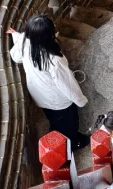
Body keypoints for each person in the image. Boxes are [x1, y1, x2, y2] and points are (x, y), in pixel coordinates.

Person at [7, 15, 89, 148]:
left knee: (53, 119)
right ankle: (73, 143)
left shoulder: (24, 41)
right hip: (58, 100)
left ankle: (58, 133)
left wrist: (15, 35)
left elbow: (16, 57)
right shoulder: (53, 58)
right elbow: (66, 83)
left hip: (39, 95)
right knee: (70, 124)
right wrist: (80, 100)